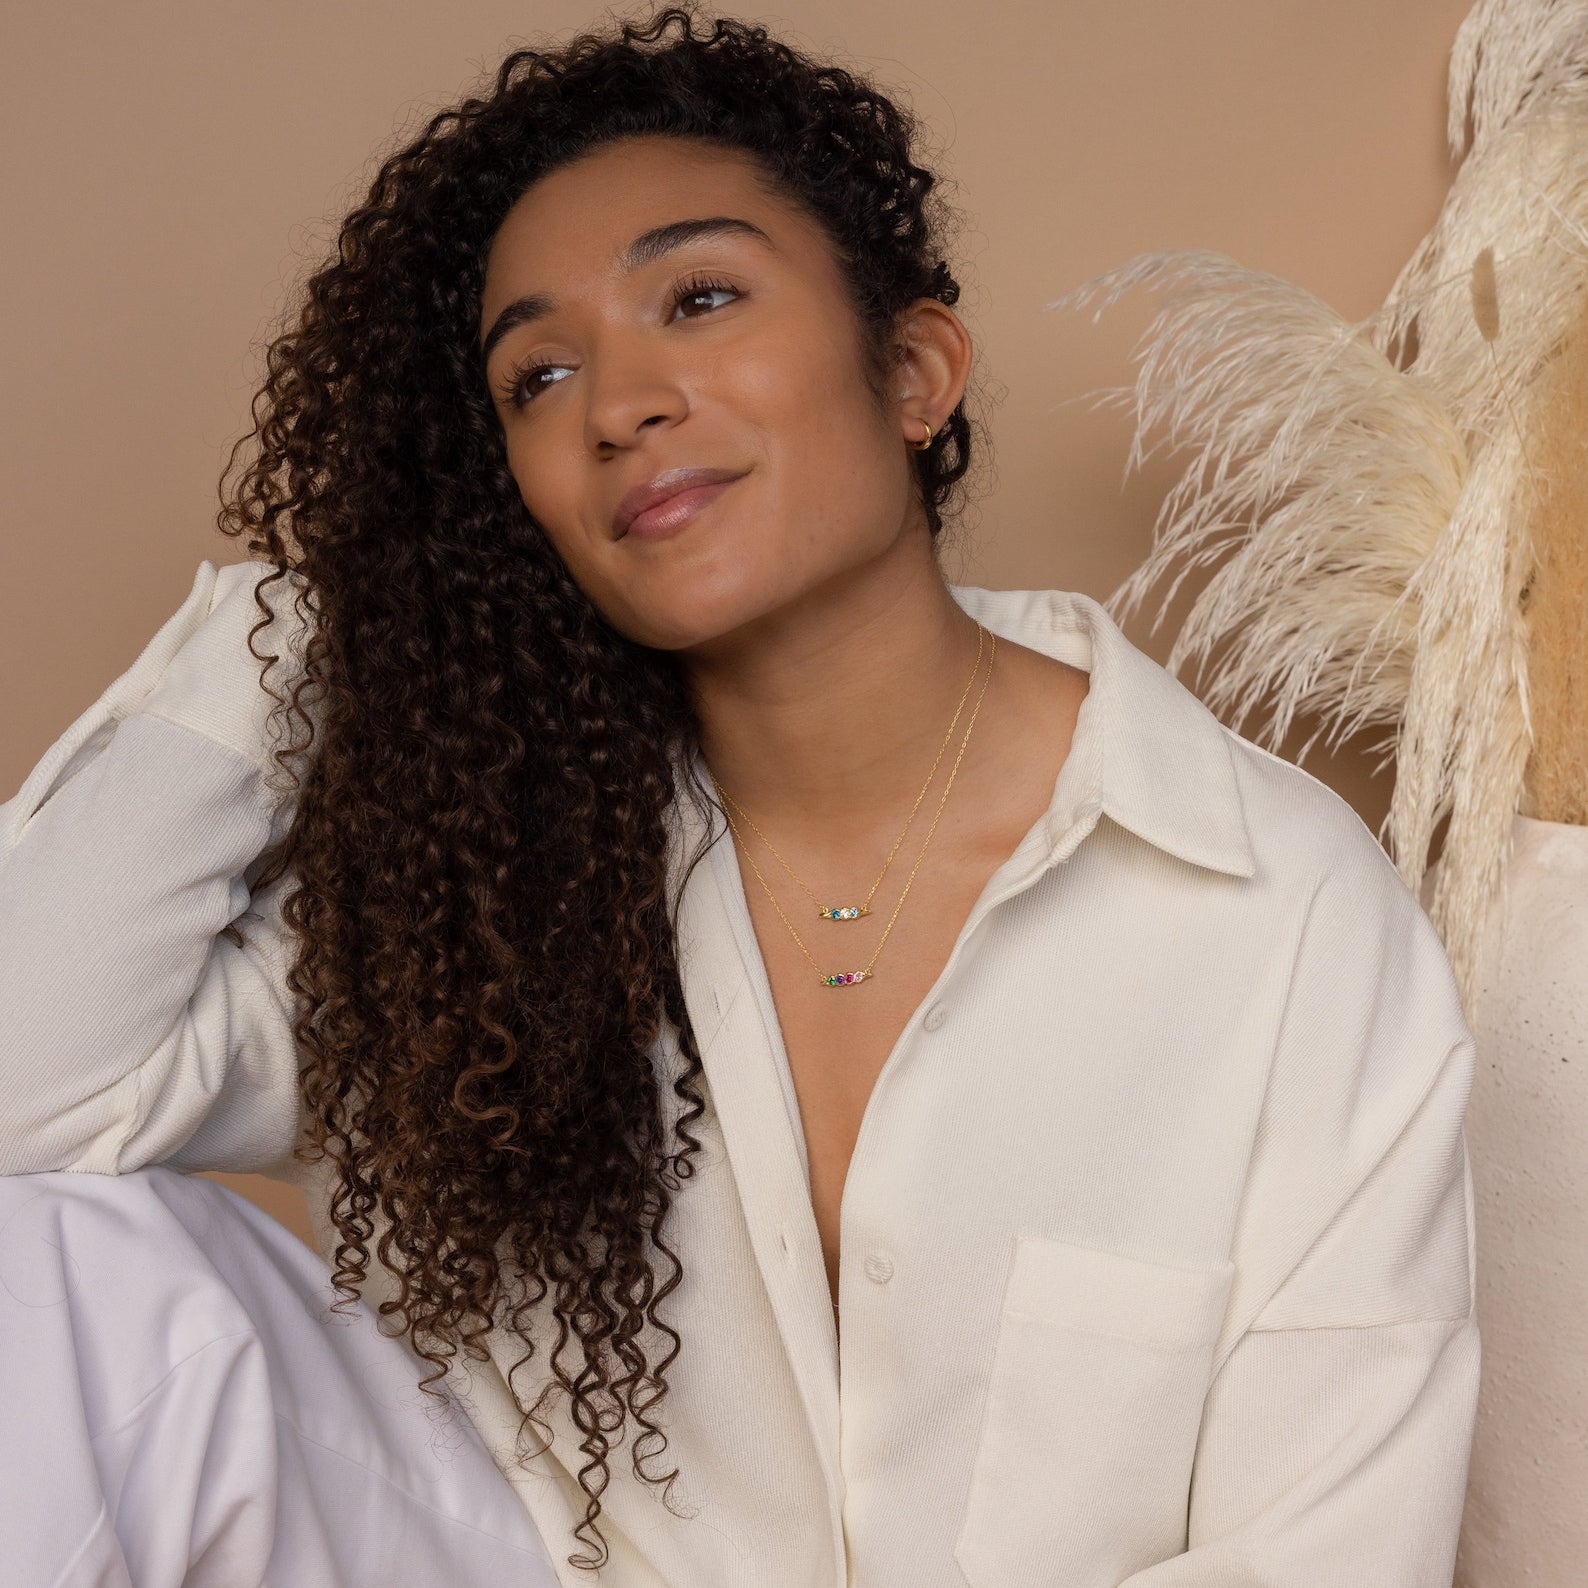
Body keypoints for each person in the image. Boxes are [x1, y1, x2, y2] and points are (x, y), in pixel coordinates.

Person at [0, 6, 1481, 1585]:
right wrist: (336, 601)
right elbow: (28, 1080)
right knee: (49, 1256)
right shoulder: (482, 898)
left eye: (699, 299)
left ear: (913, 371)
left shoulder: (1276, 913)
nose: (616, 404)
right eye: (537, 377)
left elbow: (1329, 1551)